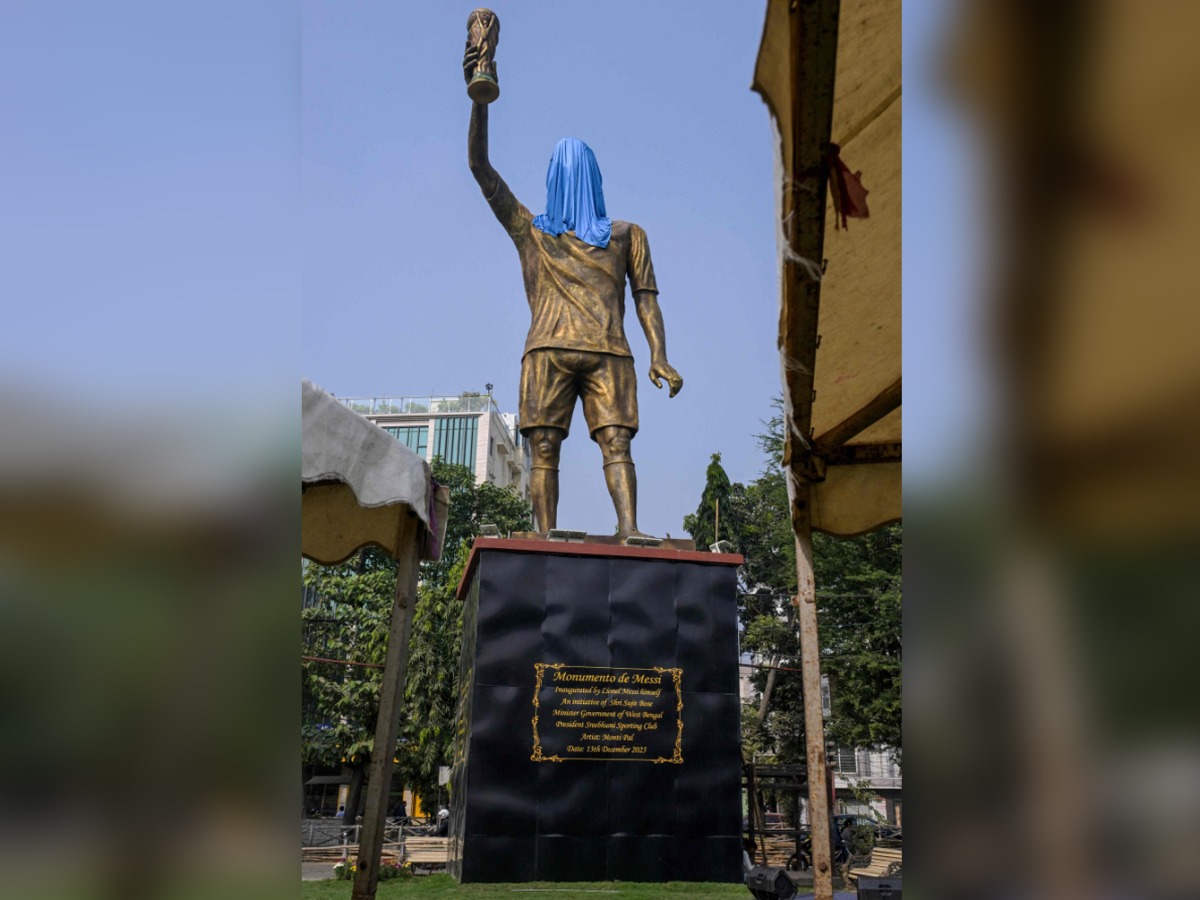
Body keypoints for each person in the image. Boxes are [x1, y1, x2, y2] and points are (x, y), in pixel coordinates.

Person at [465, 66, 683, 541]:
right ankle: (553, 533)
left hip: (599, 352)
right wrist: (480, 96)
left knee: (604, 442)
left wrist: (660, 354)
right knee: (569, 445)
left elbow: (645, 298)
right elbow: (480, 168)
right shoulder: (532, 231)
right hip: (558, 349)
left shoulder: (627, 236)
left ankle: (628, 528)